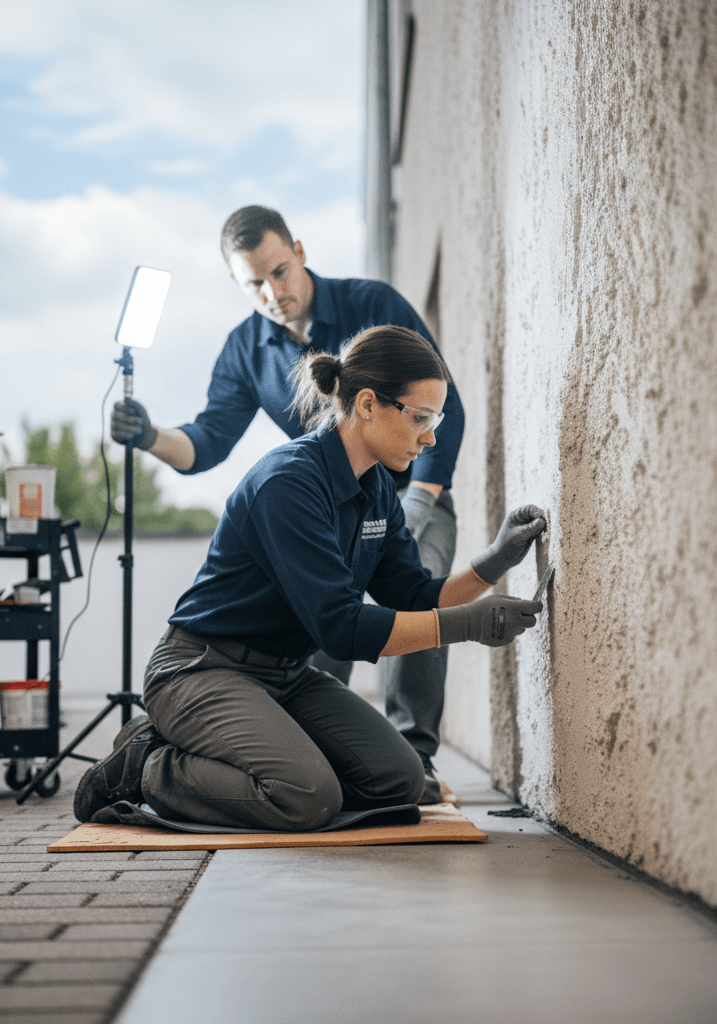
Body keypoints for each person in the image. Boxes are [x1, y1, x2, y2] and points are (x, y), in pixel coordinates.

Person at [78, 325, 544, 832]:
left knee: (400, 780)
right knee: (306, 797)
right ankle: (145, 764)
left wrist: (495, 561)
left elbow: (414, 595)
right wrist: (469, 625)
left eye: (437, 419)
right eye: (421, 417)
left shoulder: (377, 488)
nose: (430, 437)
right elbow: (341, 628)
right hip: (201, 669)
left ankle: (267, 759)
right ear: (368, 404)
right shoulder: (289, 483)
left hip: (284, 675)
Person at [111, 205, 465, 803]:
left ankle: (417, 753)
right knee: (330, 621)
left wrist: (420, 504)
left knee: (418, 586)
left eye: (279, 272)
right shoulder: (247, 351)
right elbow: (207, 442)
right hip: (323, 503)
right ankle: (290, 755)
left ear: (299, 251)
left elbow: (436, 407)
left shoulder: (371, 304)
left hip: (411, 488)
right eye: (254, 283)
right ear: (236, 282)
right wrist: (149, 436)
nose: (273, 293)